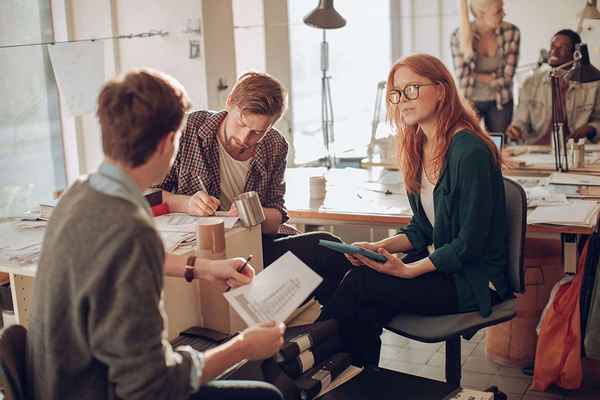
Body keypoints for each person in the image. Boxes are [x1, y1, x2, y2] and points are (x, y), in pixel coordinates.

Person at [27, 69, 285, 400]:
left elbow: (115, 257)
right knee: (268, 396)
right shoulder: (134, 231)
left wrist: (201, 267)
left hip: (59, 384)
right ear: (168, 143)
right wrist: (243, 347)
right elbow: (154, 385)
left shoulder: (81, 193)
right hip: (103, 392)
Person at [317, 54, 512, 367]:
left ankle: (310, 358)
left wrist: (408, 270)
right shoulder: (419, 146)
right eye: (396, 93)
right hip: (438, 268)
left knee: (361, 286)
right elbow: (422, 229)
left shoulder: (469, 150)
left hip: (471, 280)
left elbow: (469, 244)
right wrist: (379, 248)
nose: (401, 100)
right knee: (361, 292)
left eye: (412, 89)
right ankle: (351, 381)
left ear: (441, 90)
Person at [157, 71, 349, 305]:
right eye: (241, 124)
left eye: (258, 132)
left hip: (251, 243)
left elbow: (276, 216)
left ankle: (321, 333)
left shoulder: (275, 145)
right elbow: (151, 197)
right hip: (199, 249)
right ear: (229, 102)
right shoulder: (188, 129)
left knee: (330, 250)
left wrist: (252, 213)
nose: (244, 138)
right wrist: (186, 203)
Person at [507, 29, 600, 144]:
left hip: (575, 149)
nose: (554, 52)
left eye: (562, 48)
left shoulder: (593, 84)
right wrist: (516, 130)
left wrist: (589, 129)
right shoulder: (530, 83)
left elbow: (598, 120)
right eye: (552, 47)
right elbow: (521, 121)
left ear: (576, 54)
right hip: (538, 148)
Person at [450, 0, 520, 133]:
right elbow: (462, 78)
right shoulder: (457, 36)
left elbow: (508, 77)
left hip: (501, 101)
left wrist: (475, 75)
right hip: (470, 100)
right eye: (498, 11)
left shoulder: (512, 32)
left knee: (498, 146)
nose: (504, 14)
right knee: (470, 143)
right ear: (481, 14)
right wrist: (493, 77)